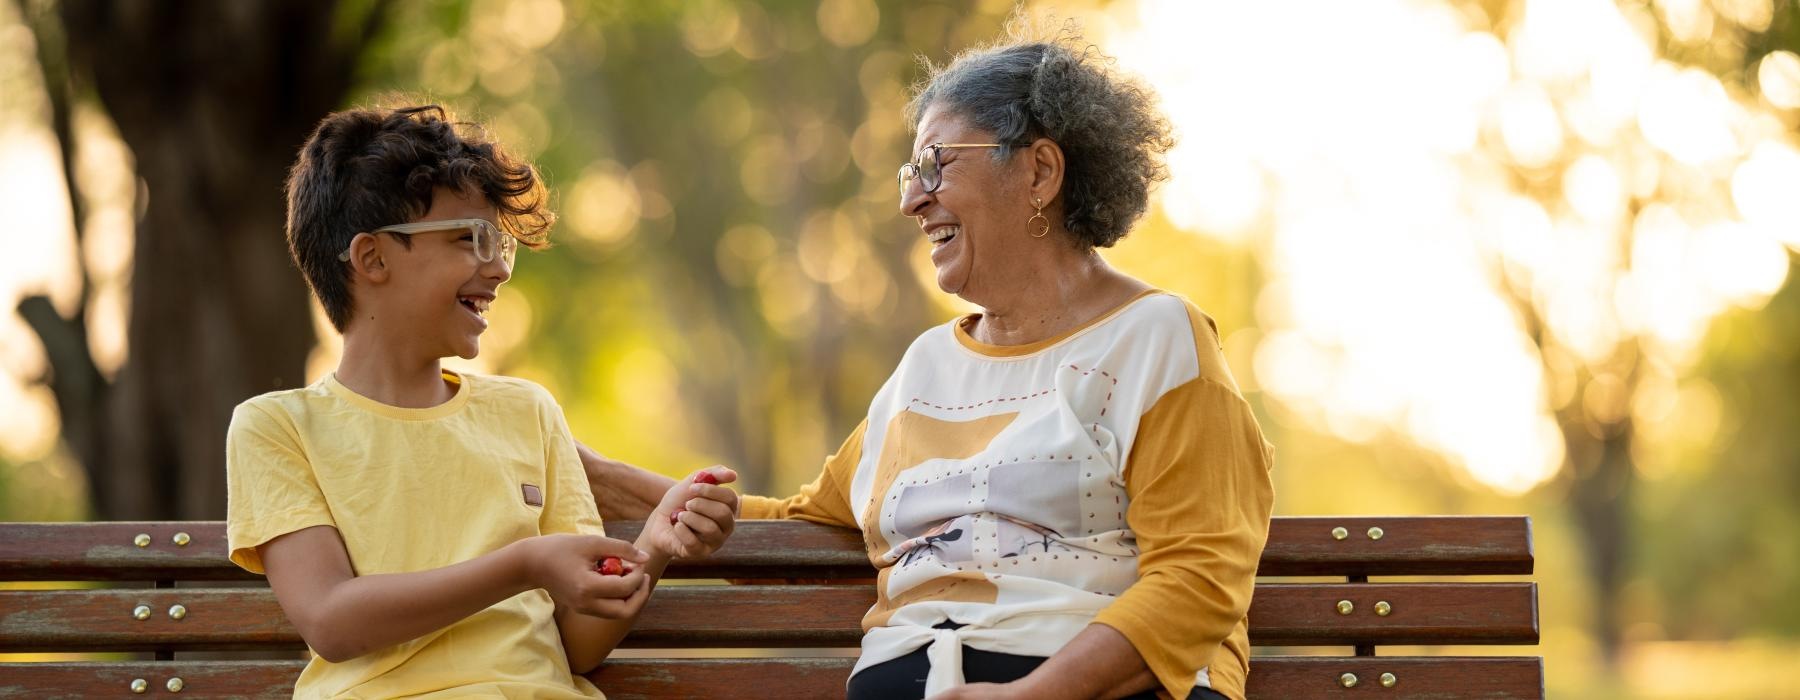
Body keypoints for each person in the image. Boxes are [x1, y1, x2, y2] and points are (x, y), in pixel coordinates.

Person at [586, 24, 1275, 700]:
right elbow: (809, 528)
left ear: (1039, 170)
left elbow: (1198, 577)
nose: (911, 199)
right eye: (908, 174)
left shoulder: (1156, 338)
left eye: (934, 164)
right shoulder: (924, 369)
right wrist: (574, 465)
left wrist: (1034, 696)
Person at [224, 104, 738, 699]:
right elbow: (332, 621)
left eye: (500, 244)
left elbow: (575, 647)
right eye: (472, 239)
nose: (497, 269)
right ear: (373, 259)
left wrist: (653, 543)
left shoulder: (527, 413)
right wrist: (523, 565)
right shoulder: (276, 427)